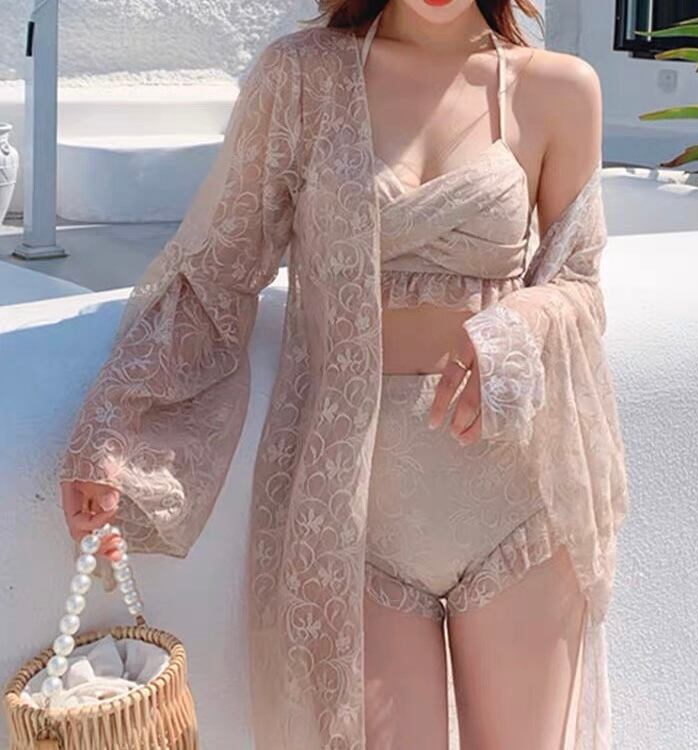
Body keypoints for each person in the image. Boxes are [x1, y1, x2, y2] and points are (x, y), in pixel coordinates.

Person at [59, 2, 630, 748]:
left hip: (522, 497)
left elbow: (578, 282)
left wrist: (518, 324)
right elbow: (215, 275)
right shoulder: (299, 78)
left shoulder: (560, 88)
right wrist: (112, 425)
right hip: (350, 510)